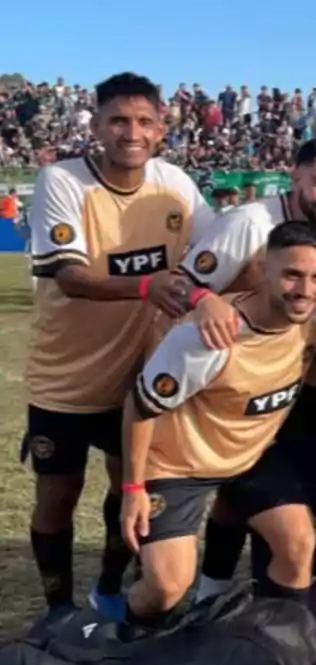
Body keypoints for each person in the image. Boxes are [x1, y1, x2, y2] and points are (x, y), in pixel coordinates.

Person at [173, 138, 316, 606]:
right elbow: (181, 288)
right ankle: (205, 589)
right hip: (227, 392)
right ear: (294, 176)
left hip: (297, 385)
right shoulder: (250, 222)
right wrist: (206, 301)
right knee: (238, 492)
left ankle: (216, 589)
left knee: (248, 496)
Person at [23, 72, 213, 622]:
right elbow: (70, 277)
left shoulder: (175, 184)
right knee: (57, 498)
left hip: (136, 380)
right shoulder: (62, 181)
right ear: (98, 124)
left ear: (161, 129)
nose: (132, 132)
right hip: (65, 378)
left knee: (124, 492)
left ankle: (107, 590)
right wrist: (150, 285)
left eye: (144, 121)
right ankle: (57, 610)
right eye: (119, 121)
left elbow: (219, 250)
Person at [119, 221, 316, 627]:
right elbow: (140, 407)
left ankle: (276, 650)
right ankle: (126, 640)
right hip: (178, 465)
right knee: (164, 587)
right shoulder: (206, 338)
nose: (305, 289)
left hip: (250, 457)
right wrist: (133, 488)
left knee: (299, 544)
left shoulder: (311, 320)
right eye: (291, 274)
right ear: (263, 269)